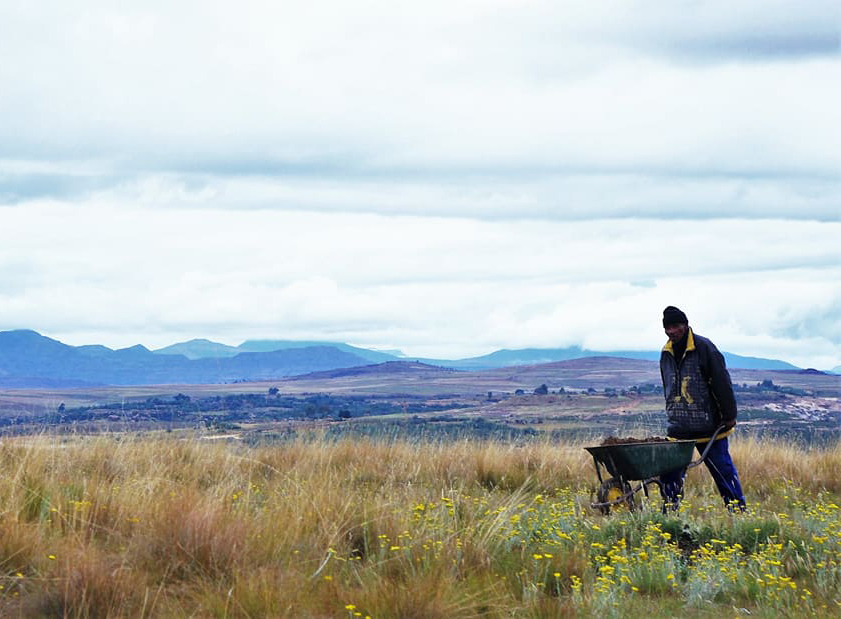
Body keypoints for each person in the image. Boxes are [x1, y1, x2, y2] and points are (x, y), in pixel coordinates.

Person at [659, 306, 746, 511]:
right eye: (667, 328)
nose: (671, 331)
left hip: (708, 427)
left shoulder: (705, 348)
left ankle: (738, 512)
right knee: (670, 475)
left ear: (686, 325)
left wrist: (729, 414)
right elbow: (668, 387)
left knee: (722, 471)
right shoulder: (666, 353)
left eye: (675, 326)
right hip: (678, 428)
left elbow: (721, 383)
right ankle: (669, 516)